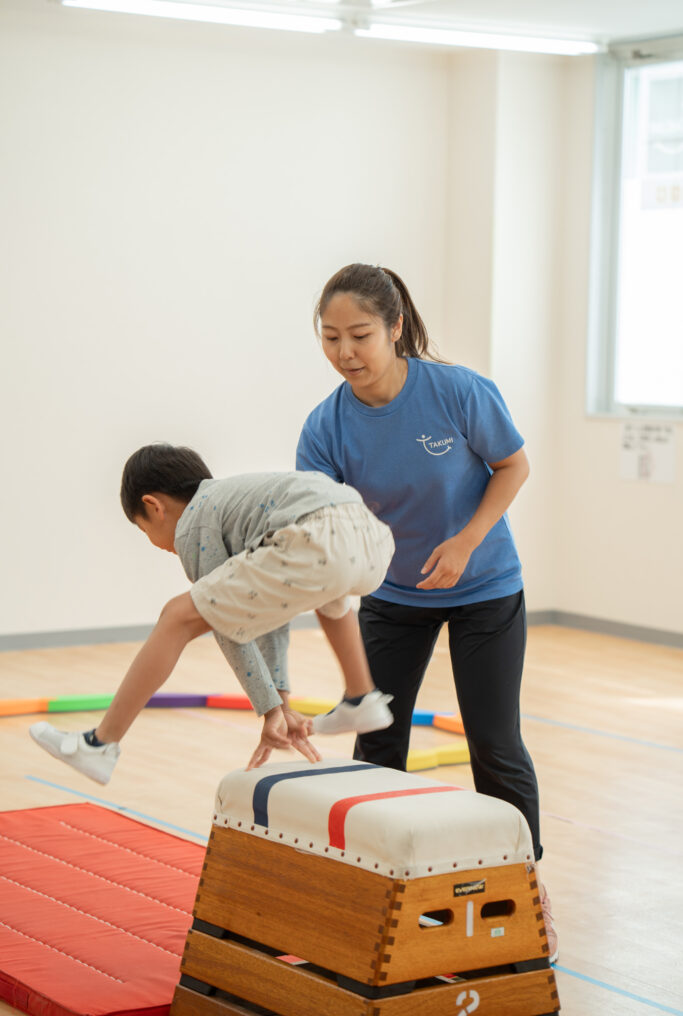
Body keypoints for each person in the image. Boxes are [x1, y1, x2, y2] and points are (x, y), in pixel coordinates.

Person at [296, 263, 557, 962]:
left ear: (395, 328)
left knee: (494, 746)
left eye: (359, 335)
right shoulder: (326, 426)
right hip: (392, 597)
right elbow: (319, 518)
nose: (345, 352)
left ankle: (526, 893)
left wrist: (467, 541)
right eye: (330, 337)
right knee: (376, 744)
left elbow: (513, 466)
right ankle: (376, 888)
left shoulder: (457, 391)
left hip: (485, 590)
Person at [29, 443, 395, 783]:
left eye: (144, 530)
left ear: (154, 507)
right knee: (331, 598)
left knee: (177, 616)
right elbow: (272, 611)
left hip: (319, 536)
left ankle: (101, 743)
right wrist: (280, 707)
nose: (155, 544)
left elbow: (228, 627)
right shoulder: (238, 500)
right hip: (370, 538)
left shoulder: (196, 520)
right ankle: (360, 696)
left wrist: (269, 708)